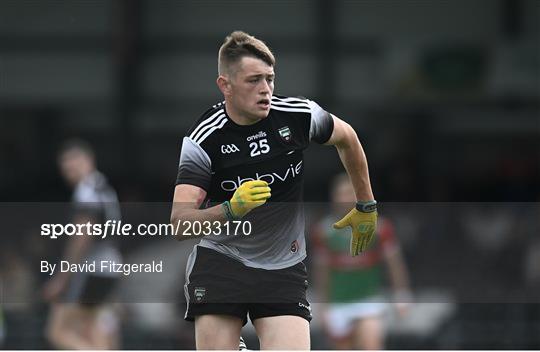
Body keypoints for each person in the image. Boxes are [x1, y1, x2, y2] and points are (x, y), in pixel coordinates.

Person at [171, 30, 378, 350]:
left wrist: (366, 204)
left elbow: (347, 138)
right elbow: (180, 223)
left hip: (283, 266)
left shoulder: (296, 115)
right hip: (223, 262)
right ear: (225, 85)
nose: (265, 89)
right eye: (254, 80)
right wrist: (231, 209)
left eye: (270, 79)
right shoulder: (203, 139)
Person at [312, 173, 411, 350]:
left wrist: (401, 294)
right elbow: (322, 270)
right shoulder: (324, 231)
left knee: (371, 344)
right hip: (338, 302)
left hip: (368, 300)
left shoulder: (378, 227)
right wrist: (322, 305)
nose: (344, 198)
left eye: (349, 193)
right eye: (340, 193)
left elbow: (394, 263)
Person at [43, 139, 122, 349]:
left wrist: (61, 278)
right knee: (94, 330)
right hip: (110, 267)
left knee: (58, 331)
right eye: (65, 167)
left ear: (88, 160)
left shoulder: (87, 190)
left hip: (92, 268)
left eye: (73, 163)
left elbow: (82, 236)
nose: (69, 170)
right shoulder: (104, 187)